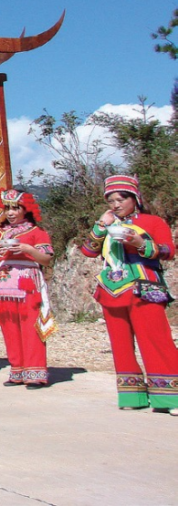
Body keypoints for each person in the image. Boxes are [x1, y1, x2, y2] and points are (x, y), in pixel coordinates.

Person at [81, 174, 178, 414]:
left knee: (156, 339)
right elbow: (88, 251)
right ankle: (132, 394)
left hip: (144, 287)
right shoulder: (107, 224)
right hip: (111, 289)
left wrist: (139, 243)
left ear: (135, 198)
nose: (116, 205)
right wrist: (100, 225)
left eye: (121, 199)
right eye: (111, 200)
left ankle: (171, 397)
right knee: (120, 343)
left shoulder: (152, 222)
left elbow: (168, 251)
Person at [0, 188, 56, 388]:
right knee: (10, 328)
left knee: (31, 327)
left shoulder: (37, 232)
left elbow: (46, 259)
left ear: (26, 209)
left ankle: (35, 372)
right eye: (7, 208)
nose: (11, 213)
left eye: (16, 208)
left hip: (28, 285)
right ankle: (17, 369)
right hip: (4, 286)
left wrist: (28, 249)